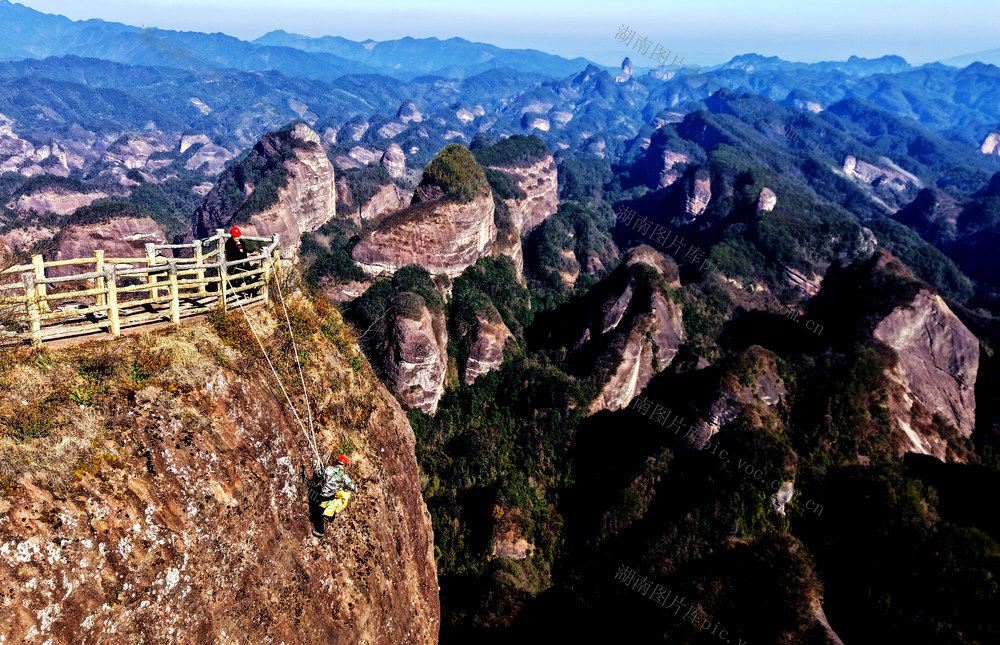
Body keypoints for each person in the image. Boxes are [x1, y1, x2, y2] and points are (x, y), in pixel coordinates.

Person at [310, 454, 357, 538]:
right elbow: (353, 487)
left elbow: (318, 474)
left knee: (318, 511)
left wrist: (318, 463)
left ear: (336, 462)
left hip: (323, 496)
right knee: (338, 500)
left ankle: (320, 531)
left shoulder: (328, 469)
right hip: (332, 497)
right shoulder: (344, 475)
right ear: (344, 465)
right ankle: (330, 517)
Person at [223, 226, 258, 296]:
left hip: (243, 264)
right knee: (244, 275)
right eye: (235, 236)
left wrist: (252, 252)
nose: (237, 238)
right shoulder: (229, 244)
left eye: (238, 236)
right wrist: (245, 255)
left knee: (248, 273)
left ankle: (251, 291)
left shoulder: (241, 242)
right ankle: (251, 292)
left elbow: (244, 250)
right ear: (232, 236)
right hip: (234, 265)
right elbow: (234, 255)